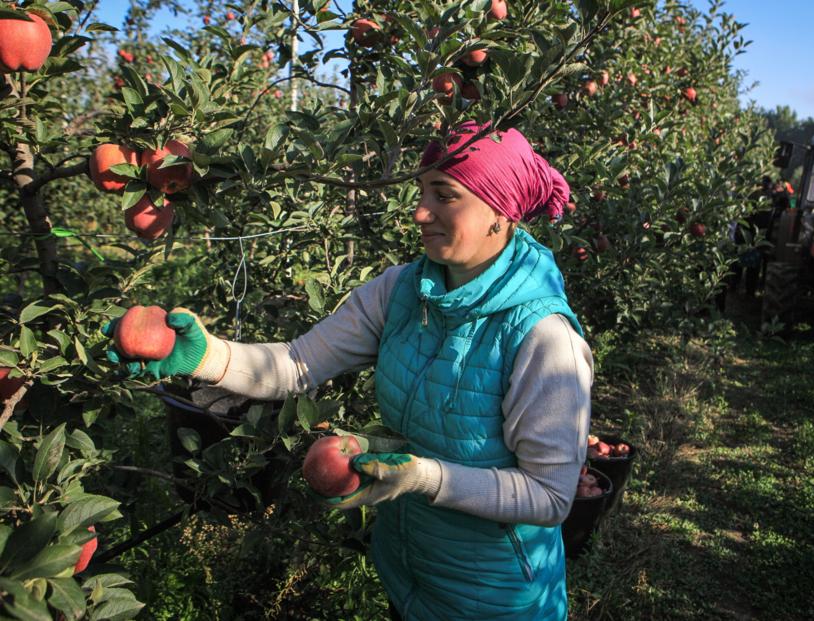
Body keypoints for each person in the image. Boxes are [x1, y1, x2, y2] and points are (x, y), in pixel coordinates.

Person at [102, 121, 593, 621]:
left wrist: (424, 477)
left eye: (444, 195)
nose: (420, 212)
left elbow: (549, 497)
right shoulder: (401, 291)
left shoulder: (544, 339)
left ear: (500, 211)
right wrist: (207, 357)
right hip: (409, 571)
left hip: (495, 597)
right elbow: (297, 364)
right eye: (421, 192)